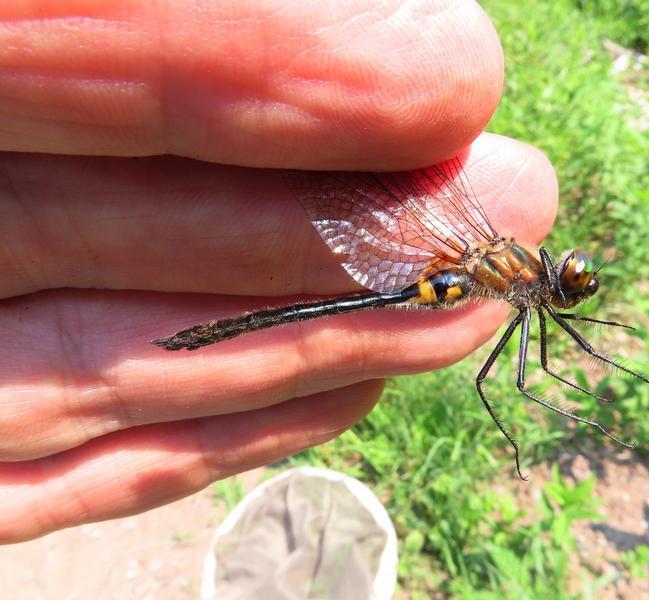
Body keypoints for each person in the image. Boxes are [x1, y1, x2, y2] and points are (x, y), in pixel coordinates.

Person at [0, 0, 557, 543]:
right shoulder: (516, 273)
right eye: (571, 280)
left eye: (571, 281)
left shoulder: (517, 273)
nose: (567, 285)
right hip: (445, 268)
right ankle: (203, 337)